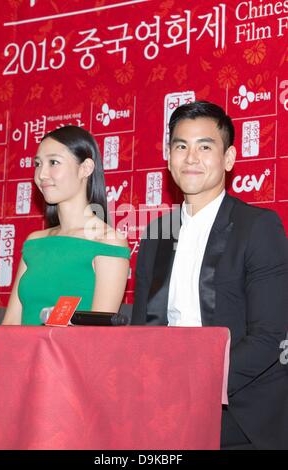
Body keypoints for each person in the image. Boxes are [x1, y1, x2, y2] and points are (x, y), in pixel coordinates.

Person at [131, 101, 288, 450]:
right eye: (180, 146)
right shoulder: (156, 234)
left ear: (228, 158)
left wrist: (196, 388)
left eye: (205, 146)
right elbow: (142, 331)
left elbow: (269, 337)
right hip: (163, 406)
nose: (191, 158)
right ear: (169, 158)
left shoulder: (258, 227)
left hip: (239, 412)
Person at [2, 125, 130, 325]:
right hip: (21, 354)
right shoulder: (34, 242)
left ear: (85, 168)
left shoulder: (109, 242)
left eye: (54, 162)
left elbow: (100, 335)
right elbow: (10, 324)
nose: (42, 174)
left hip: (74, 355)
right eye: (38, 164)